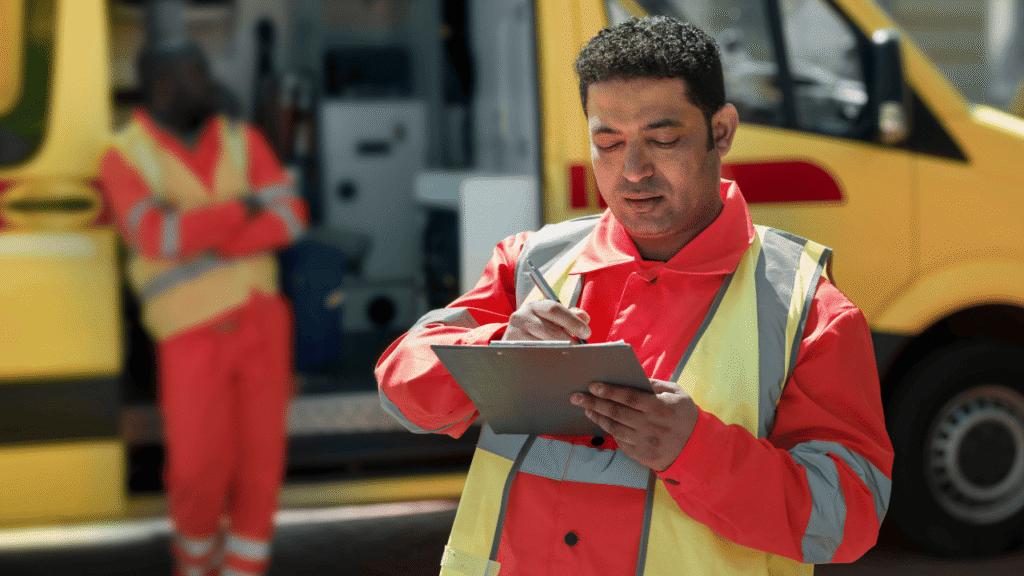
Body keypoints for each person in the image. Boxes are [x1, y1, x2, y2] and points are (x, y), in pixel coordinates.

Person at [376, 15, 892, 576]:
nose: (632, 170)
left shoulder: (808, 309)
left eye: (663, 139)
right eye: (608, 142)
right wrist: (495, 347)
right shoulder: (533, 263)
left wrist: (695, 450)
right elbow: (402, 391)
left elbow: (848, 520)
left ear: (722, 130)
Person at [99, 12, 307, 576]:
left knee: (261, 461)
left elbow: (289, 219)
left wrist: (203, 234)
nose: (211, 87)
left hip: (262, 320)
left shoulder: (242, 140)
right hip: (190, 333)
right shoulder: (124, 154)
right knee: (196, 469)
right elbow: (154, 236)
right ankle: (194, 565)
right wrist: (242, 210)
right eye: (197, 76)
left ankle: (243, 568)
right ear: (162, 87)